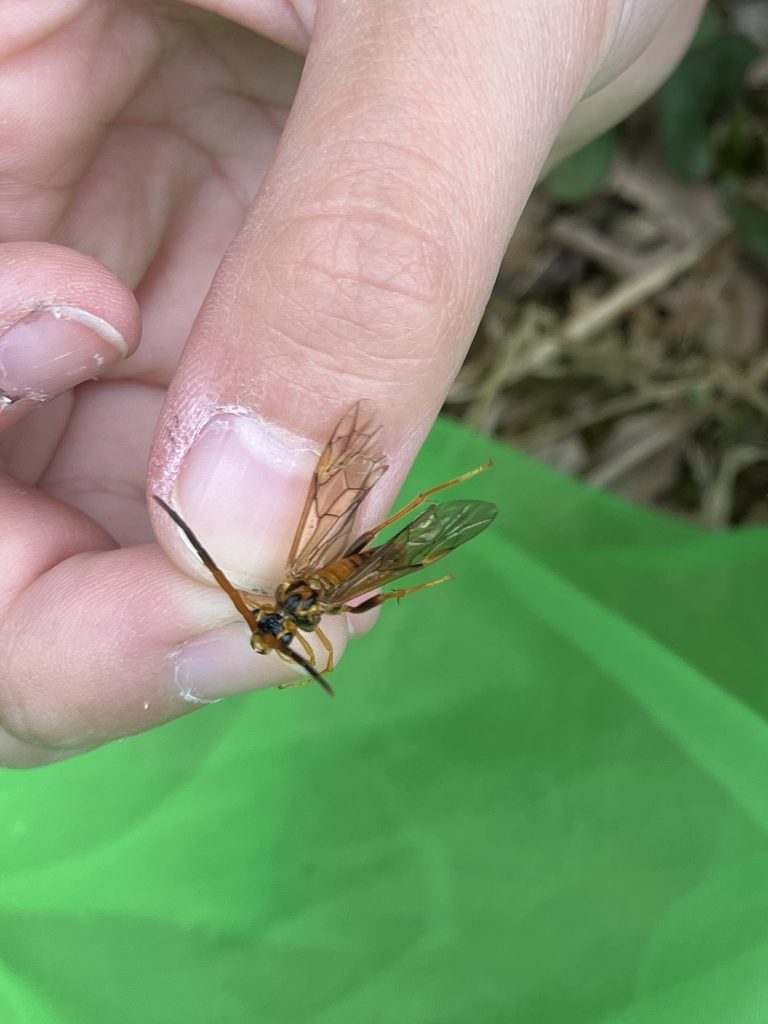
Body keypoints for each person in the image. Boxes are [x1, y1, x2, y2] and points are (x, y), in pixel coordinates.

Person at [0, 0, 705, 767]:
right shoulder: (311, 597)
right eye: (278, 633)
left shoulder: (280, 577)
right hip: (351, 561)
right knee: (386, 555)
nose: (272, 629)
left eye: (272, 630)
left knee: (341, 499)